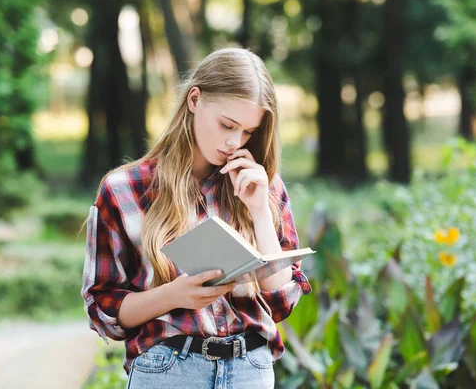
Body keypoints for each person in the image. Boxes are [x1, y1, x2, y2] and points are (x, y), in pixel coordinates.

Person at [81, 47, 312, 388]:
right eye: (227, 125)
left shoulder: (261, 184)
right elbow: (104, 309)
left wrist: (260, 211)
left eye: (248, 132)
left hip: (250, 368)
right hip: (169, 368)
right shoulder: (125, 190)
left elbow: (280, 303)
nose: (234, 142)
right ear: (194, 100)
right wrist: (174, 295)